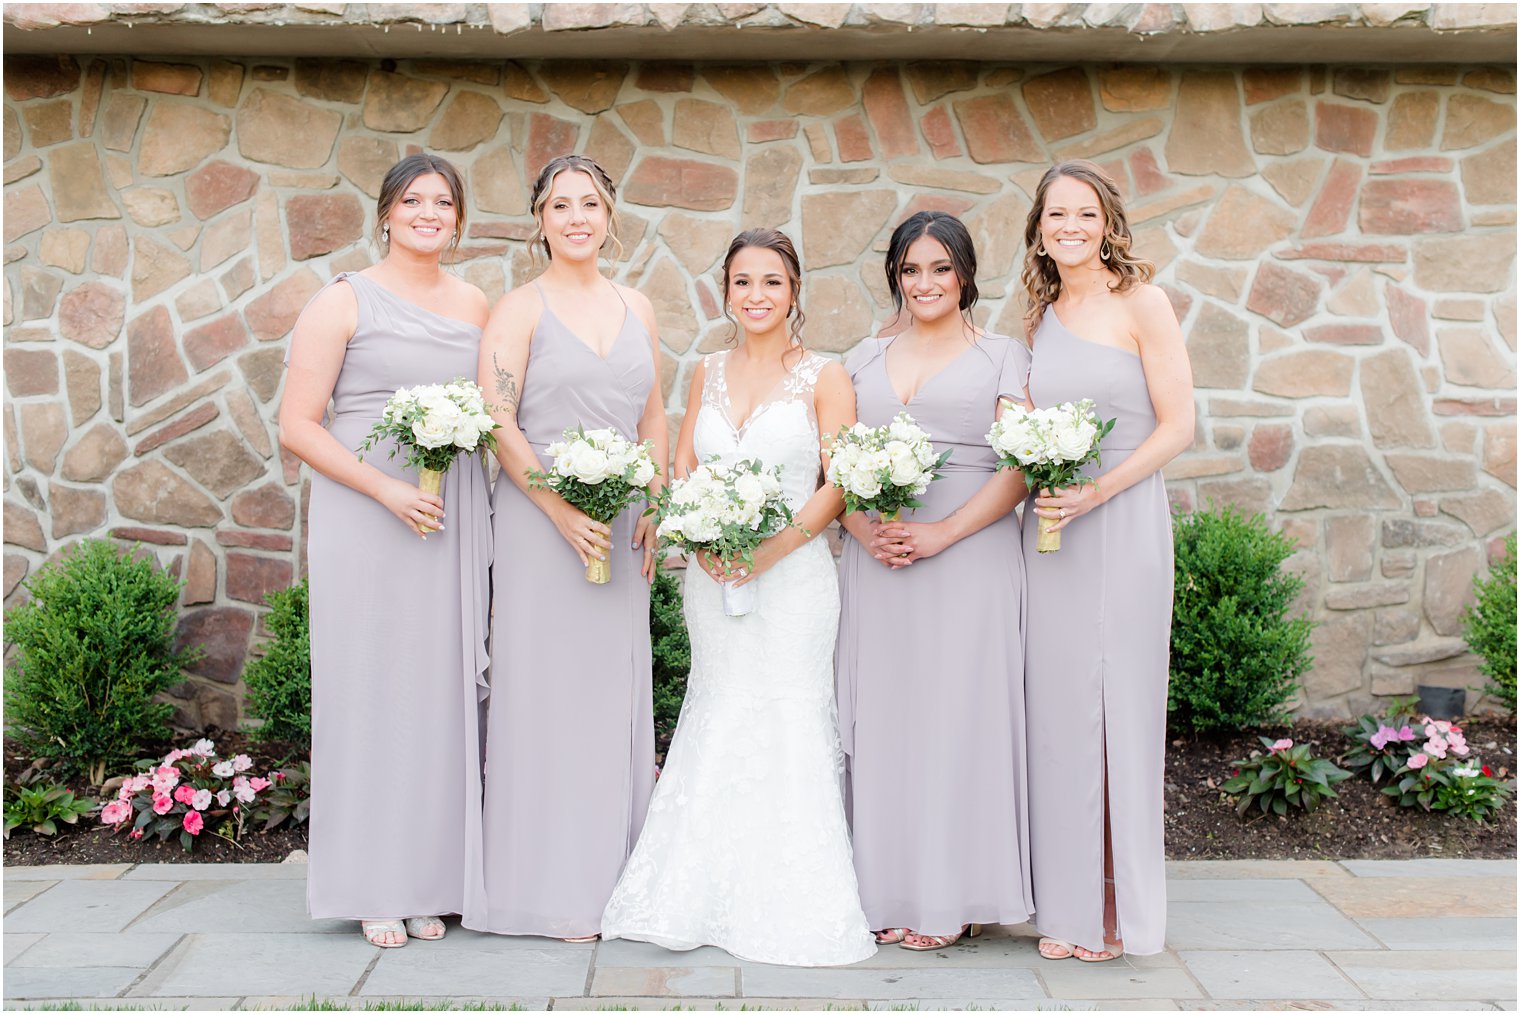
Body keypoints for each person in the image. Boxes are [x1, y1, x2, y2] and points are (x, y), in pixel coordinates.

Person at [600, 229, 875, 967]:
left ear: (795, 293)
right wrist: (694, 529)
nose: (756, 296)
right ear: (725, 291)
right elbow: (684, 464)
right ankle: (698, 895)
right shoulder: (707, 371)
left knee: (786, 716)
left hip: (794, 581)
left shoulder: (826, 375)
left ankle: (788, 901)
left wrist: (768, 551)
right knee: (718, 710)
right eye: (742, 282)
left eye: (772, 283)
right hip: (716, 579)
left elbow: (839, 481)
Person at [278, 153, 491, 949]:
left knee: (435, 694)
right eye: (414, 200)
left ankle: (427, 878)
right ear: (387, 214)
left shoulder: (474, 302)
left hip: (448, 513)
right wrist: (385, 489)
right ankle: (370, 881)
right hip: (369, 515)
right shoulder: (341, 301)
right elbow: (298, 426)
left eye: (443, 202)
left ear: (459, 219)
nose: (429, 213)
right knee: (368, 690)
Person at [467, 154, 668, 940]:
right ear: (540, 223)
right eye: (560, 206)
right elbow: (497, 419)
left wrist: (654, 497)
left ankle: (615, 881)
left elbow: (653, 412)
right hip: (538, 525)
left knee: (609, 698)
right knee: (545, 696)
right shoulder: (519, 309)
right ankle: (544, 890)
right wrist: (554, 508)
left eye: (590, 203)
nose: (577, 217)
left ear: (611, 216)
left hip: (617, 529)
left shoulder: (639, 306)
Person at [835, 211, 1034, 951]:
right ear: (894, 275)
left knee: (959, 721)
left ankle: (956, 896)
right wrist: (866, 531)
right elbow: (834, 465)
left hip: (969, 557)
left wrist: (943, 533)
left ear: (965, 276)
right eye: (911, 269)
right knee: (885, 723)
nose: (926, 283)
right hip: (881, 562)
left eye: (940, 269)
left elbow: (1019, 468)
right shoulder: (858, 358)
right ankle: (887, 888)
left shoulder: (1002, 357)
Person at [1018, 160, 1194, 962]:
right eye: (1056, 215)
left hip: (1120, 526)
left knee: (1117, 708)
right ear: (1039, 230)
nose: (1070, 227)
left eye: (1084, 214)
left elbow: (1177, 426)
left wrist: (1101, 492)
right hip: (1050, 535)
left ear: (1108, 223)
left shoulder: (1143, 304)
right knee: (1058, 717)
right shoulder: (1037, 315)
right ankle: (1070, 907)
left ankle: (1119, 912)